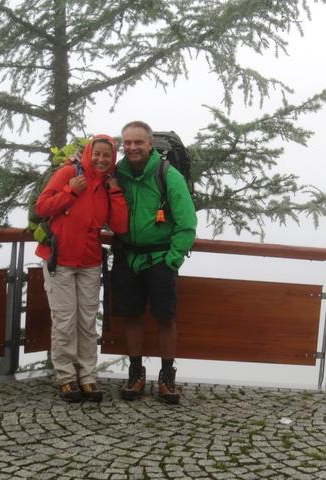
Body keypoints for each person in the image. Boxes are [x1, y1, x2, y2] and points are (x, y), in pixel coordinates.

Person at [36, 134, 128, 402]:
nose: (101, 159)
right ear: (89, 153)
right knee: (65, 321)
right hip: (59, 260)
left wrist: (116, 191)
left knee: (87, 322)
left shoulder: (109, 184)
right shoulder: (68, 173)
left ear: (113, 158)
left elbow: (120, 226)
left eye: (107, 155)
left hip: (89, 262)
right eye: (97, 154)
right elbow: (42, 207)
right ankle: (66, 378)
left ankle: (87, 377)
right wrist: (70, 191)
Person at [111, 120, 197, 404]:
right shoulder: (117, 173)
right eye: (128, 143)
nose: (132, 147)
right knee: (131, 315)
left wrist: (172, 259)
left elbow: (187, 222)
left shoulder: (167, 175)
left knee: (165, 317)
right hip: (127, 254)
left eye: (138, 142)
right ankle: (136, 373)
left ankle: (167, 376)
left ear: (150, 145)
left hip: (161, 257)